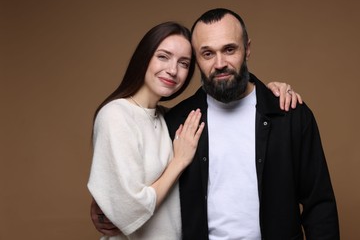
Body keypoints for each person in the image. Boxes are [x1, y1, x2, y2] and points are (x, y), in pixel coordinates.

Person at [88, 20, 303, 239]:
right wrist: (178, 162)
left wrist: (271, 92)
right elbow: (127, 210)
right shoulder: (116, 115)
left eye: (183, 63)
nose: (172, 70)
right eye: (163, 56)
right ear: (144, 57)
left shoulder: (169, 118)